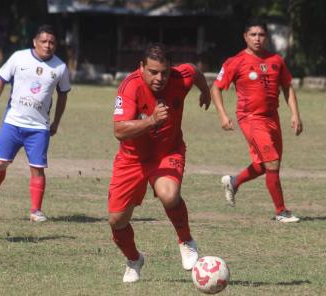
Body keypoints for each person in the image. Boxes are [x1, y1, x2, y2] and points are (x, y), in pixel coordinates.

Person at [108, 43, 211, 283]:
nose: (159, 78)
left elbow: (194, 71)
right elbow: (119, 130)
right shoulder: (129, 87)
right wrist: (152, 121)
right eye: (153, 72)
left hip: (168, 151)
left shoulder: (180, 76)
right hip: (132, 159)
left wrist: (205, 91)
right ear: (141, 67)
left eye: (164, 72)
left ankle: (186, 240)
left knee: (168, 194)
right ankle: (134, 259)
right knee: (116, 220)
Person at [210, 19, 303, 223]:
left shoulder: (276, 60)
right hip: (250, 118)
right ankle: (281, 211)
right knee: (272, 162)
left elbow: (287, 87)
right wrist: (223, 115)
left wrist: (295, 114)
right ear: (245, 37)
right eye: (253, 35)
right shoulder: (235, 61)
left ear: (266, 37)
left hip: (272, 117)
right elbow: (215, 88)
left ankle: (234, 182)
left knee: (264, 163)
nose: (257, 39)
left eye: (261, 34)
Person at [0, 24, 70, 222]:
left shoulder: (61, 67)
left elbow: (63, 95)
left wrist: (56, 122)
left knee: (37, 168)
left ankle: (35, 210)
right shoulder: (19, 57)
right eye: (44, 41)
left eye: (52, 42)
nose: (48, 46)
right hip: (13, 123)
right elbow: (0, 79)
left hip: (39, 128)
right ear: (35, 42)